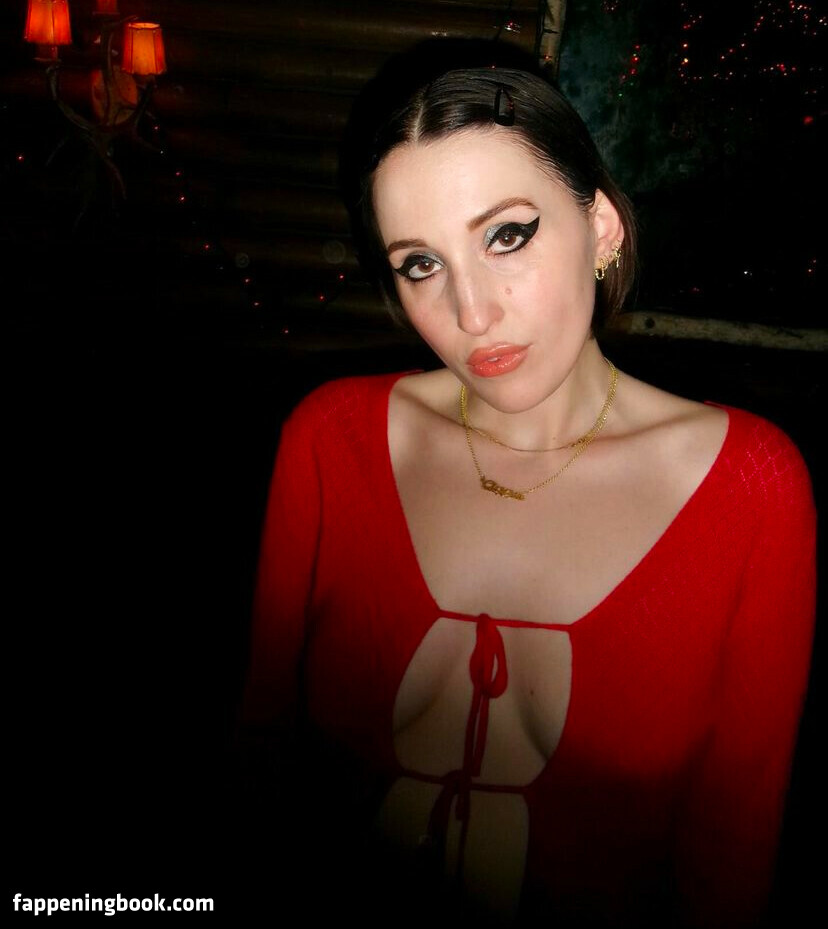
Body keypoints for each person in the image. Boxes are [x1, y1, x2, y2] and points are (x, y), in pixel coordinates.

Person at [242, 51, 816, 928]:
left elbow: (731, 864)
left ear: (603, 226)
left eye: (506, 235)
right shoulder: (329, 439)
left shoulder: (750, 487)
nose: (472, 314)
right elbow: (260, 770)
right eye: (421, 264)